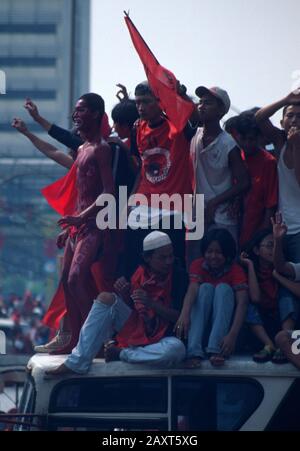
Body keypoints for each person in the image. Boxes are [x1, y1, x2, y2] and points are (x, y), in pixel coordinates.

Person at [16, 93, 115, 354]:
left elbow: (109, 192)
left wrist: (82, 218)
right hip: (76, 227)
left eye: (81, 111)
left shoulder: (102, 149)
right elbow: (53, 149)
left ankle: (100, 338)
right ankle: (75, 339)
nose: (75, 115)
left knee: (75, 280)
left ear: (95, 114)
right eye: (75, 111)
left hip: (92, 226)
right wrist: (29, 130)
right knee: (67, 283)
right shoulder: (81, 151)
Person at [45, 231, 188, 375]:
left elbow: (179, 318)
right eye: (163, 258)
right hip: (137, 328)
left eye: (170, 256)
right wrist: (125, 295)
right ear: (147, 258)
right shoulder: (137, 273)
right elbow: (133, 310)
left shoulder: (179, 276)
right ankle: (77, 362)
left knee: (177, 350)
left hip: (164, 338)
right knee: (105, 298)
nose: (168, 261)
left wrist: (151, 303)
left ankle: (121, 353)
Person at [123, 81, 199, 276]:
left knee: (173, 265)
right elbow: (142, 166)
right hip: (145, 204)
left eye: (146, 102)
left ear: (159, 102)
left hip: (174, 207)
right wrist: (130, 200)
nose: (140, 107)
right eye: (138, 102)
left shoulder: (177, 125)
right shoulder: (137, 128)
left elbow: (196, 119)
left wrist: (182, 96)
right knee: (136, 261)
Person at [175, 228, 248, 367]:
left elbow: (243, 303)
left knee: (223, 289)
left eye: (219, 252)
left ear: (227, 254)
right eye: (209, 251)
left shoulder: (235, 270)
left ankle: (216, 351)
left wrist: (232, 335)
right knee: (205, 288)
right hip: (201, 328)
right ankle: (194, 352)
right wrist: (184, 314)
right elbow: (193, 289)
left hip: (226, 334)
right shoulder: (198, 264)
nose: (213, 256)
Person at [190, 86, 250, 252]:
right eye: (200, 102)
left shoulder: (228, 143)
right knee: (196, 265)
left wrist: (214, 203)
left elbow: (244, 182)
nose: (201, 106)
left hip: (222, 217)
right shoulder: (195, 135)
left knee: (224, 262)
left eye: (208, 103)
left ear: (221, 111)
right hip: (197, 214)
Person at [255, 91, 300, 264]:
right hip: (281, 230)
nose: (295, 120)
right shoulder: (280, 141)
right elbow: (259, 118)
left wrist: (296, 145)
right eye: (290, 116)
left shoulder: (292, 143)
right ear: (282, 123)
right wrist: (286, 99)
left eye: (299, 116)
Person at [225, 112, 278, 247]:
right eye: (243, 138)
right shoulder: (234, 156)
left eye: (252, 139)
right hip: (232, 225)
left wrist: (262, 236)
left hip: (256, 231)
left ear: (259, 137)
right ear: (237, 136)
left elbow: (270, 204)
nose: (247, 143)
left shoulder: (268, 162)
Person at [240, 229, 291, 363]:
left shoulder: (286, 268)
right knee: (249, 306)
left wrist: (277, 275)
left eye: (276, 246)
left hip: (282, 323)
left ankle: (285, 344)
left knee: (287, 298)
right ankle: (270, 346)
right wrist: (250, 265)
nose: (273, 249)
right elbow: (255, 298)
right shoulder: (250, 270)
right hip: (261, 327)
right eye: (269, 245)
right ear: (257, 250)